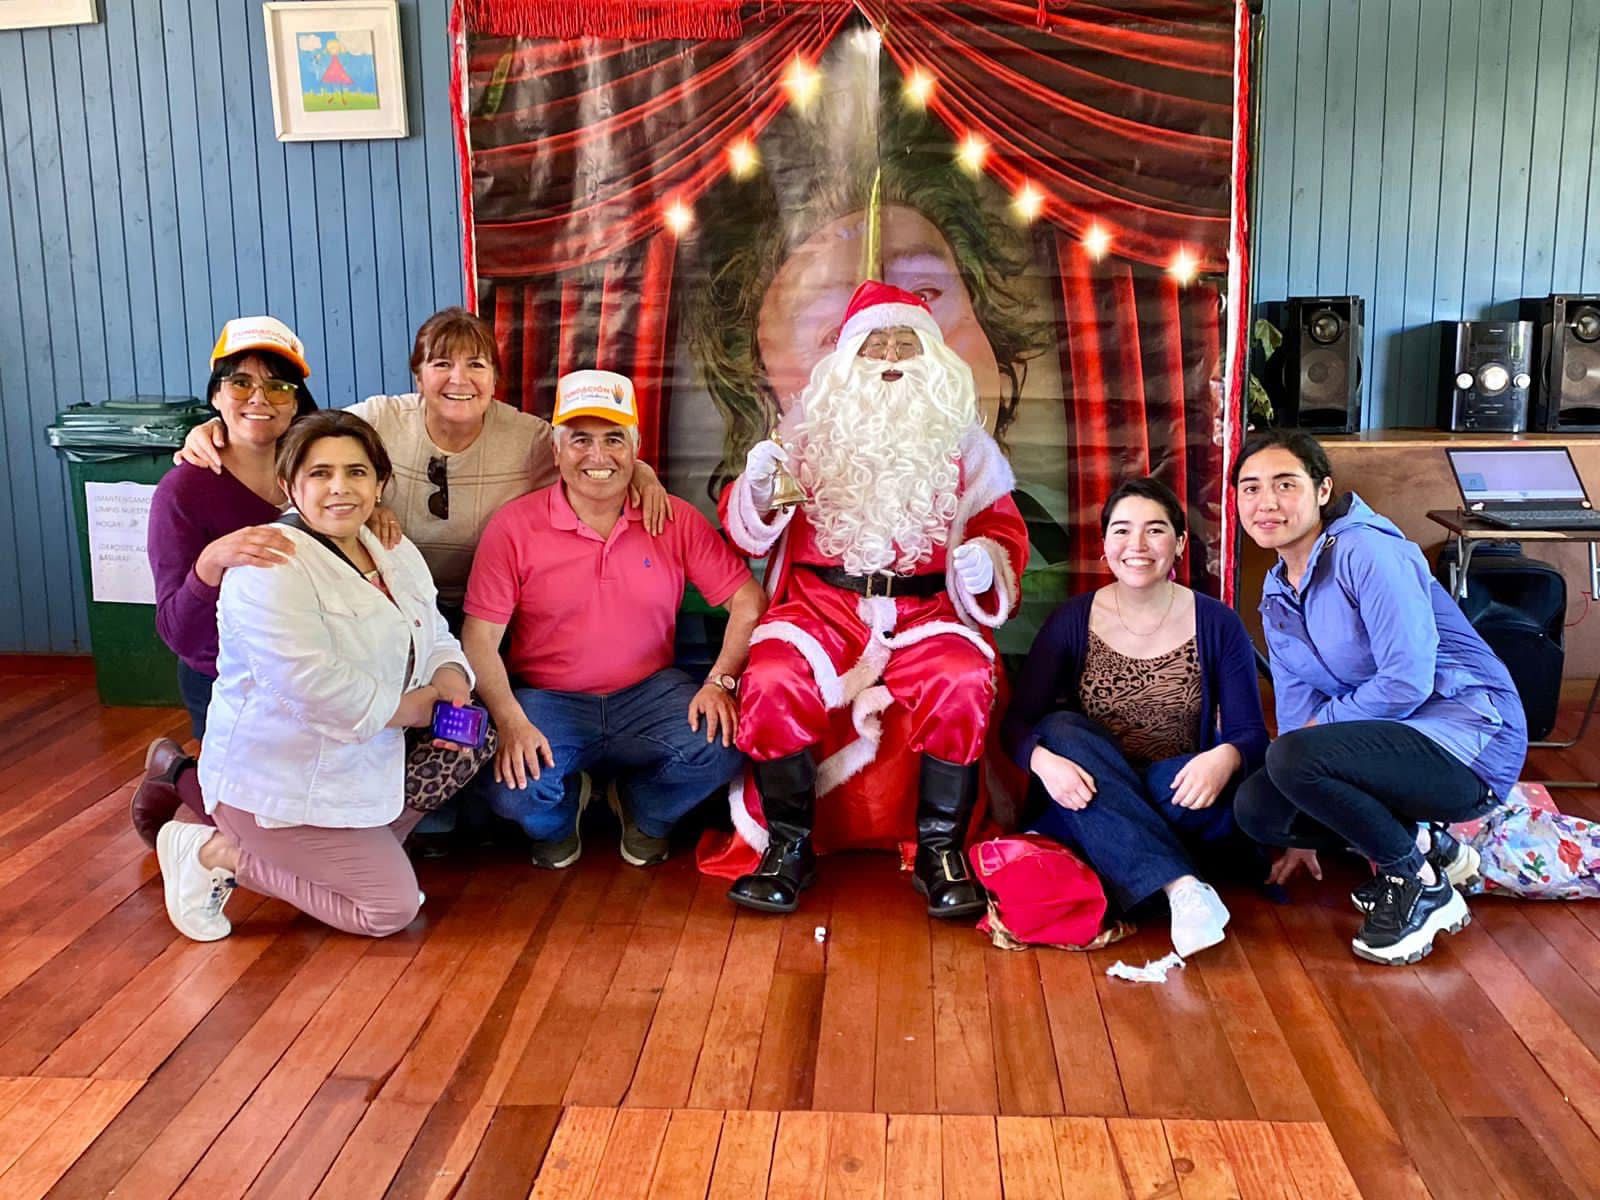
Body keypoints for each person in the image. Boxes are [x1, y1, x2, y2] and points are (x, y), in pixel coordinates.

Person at [719, 280, 1029, 917]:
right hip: (819, 610)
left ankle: (941, 848)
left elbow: (1002, 530)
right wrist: (754, 492)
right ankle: (788, 845)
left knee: (965, 677)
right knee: (775, 674)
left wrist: (985, 564)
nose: (890, 359)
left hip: (927, 613)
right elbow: (751, 530)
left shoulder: (967, 450)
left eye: (904, 344)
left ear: (932, 360)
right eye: (876, 346)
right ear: (848, 361)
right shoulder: (807, 439)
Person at [154, 410, 479, 941]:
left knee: (468, 739)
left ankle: (345, 865)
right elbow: (311, 684)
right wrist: (417, 708)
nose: (339, 488)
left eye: (356, 472)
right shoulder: (268, 563)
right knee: (389, 910)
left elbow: (435, 630)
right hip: (276, 784)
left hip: (358, 765)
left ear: (380, 484)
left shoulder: (392, 548)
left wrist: (452, 681)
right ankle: (213, 852)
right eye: (319, 473)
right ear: (289, 485)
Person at [1232, 430, 1528, 965]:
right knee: (1259, 807)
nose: (1266, 503)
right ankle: (1430, 847)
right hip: (1390, 742)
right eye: (1250, 489)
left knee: (1293, 755)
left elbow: (1407, 679)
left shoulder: (1368, 551)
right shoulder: (1277, 590)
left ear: (1322, 490)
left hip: (1473, 737)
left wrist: (1310, 746)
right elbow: (1297, 702)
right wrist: (1301, 807)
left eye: (1284, 484)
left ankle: (1416, 883)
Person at [176, 306, 670, 626]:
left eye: (476, 365)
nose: (459, 379)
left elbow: (590, 457)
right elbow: (303, 437)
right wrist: (209, 429)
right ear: (418, 375)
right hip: (387, 605)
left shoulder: (528, 438)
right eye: (441, 365)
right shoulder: (380, 419)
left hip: (495, 612)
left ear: (495, 378)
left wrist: (641, 472)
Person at [462, 370, 766, 868]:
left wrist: (722, 680)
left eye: (614, 440)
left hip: (648, 693)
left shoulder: (671, 516)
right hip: (549, 699)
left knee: (722, 744)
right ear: (556, 451)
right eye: (580, 440)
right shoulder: (514, 526)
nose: (598, 457)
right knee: (515, 789)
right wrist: (511, 721)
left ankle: (642, 810)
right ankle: (562, 814)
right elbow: (479, 639)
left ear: (636, 448)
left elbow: (748, 602)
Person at [1001, 478, 1266, 958]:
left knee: (1187, 799)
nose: (1137, 546)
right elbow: (1017, 724)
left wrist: (1223, 757)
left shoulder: (1218, 622)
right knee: (1059, 730)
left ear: (1181, 543)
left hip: (1176, 787)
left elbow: (1251, 735)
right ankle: (1182, 887)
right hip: (1085, 781)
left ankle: (1102, 851)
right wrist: (1044, 762)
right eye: (1121, 531)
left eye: (1156, 531)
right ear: (1104, 546)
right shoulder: (1071, 620)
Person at [134, 316, 318, 847]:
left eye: (279, 385)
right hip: (224, 678)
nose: (259, 398)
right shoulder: (183, 490)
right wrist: (210, 564)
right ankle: (177, 774)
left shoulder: (318, 469)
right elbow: (176, 629)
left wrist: (381, 513)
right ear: (216, 395)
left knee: (322, 807)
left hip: (309, 671)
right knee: (262, 831)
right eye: (240, 382)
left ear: (297, 400)